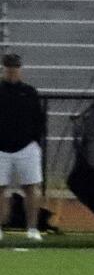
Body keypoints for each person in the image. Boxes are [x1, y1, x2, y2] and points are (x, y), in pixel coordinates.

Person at [0, 53, 44, 242]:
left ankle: (32, 228)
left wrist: (33, 140)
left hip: (27, 147)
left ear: (20, 69)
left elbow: (38, 119)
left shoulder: (29, 92)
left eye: (15, 68)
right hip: (1, 148)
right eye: (9, 68)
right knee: (0, 189)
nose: (12, 71)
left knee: (31, 187)